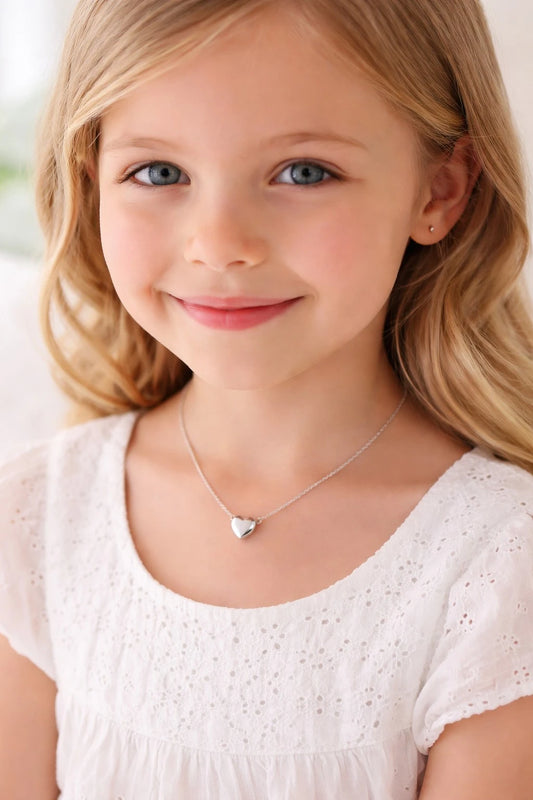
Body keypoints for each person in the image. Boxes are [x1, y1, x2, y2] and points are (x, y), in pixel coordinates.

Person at [1, 0, 533, 796]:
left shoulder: (496, 563)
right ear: (92, 182)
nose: (219, 243)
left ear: (440, 192)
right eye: (158, 172)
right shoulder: (40, 515)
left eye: (303, 172)